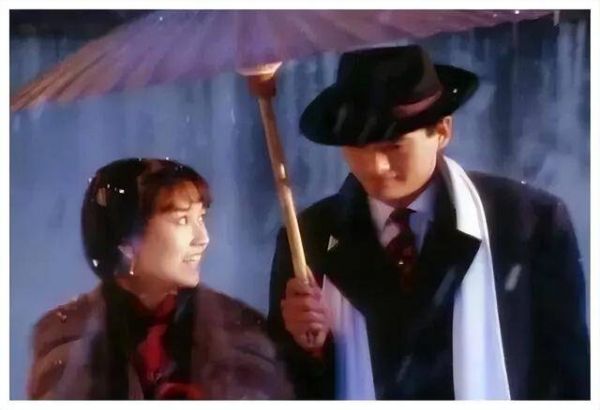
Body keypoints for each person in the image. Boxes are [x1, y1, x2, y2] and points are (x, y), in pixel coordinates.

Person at [267, 45, 589, 400]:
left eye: (394, 146)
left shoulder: (529, 225)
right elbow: (278, 387)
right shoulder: (307, 239)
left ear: (443, 130)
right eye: (358, 146)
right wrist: (308, 349)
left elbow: (568, 377)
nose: (376, 166)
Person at [28, 158, 292, 399]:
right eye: (182, 220)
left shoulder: (242, 332)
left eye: (201, 217)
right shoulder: (63, 335)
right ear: (127, 239)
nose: (203, 238)